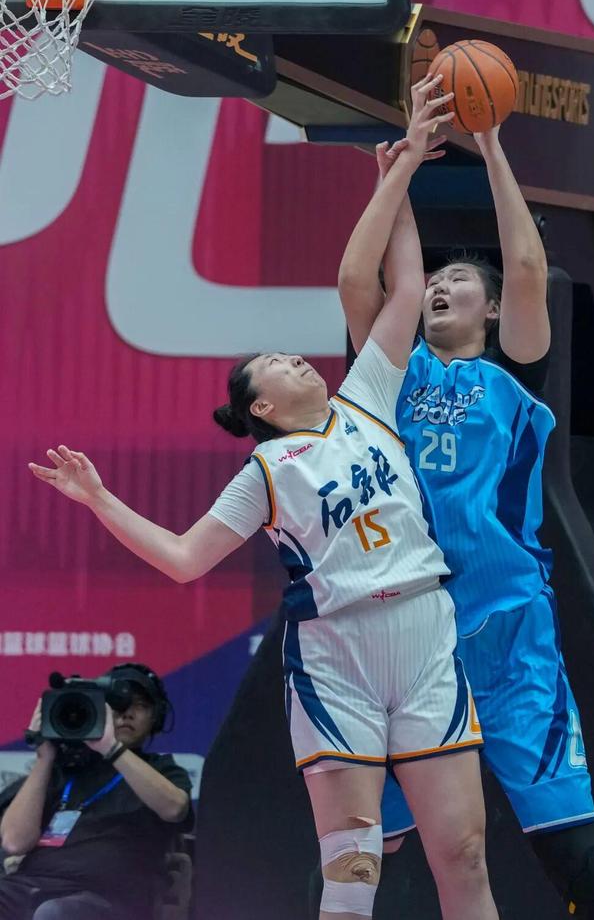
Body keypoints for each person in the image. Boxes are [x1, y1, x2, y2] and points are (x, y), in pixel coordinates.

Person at [27, 76, 499, 920]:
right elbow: (182, 559)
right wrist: (98, 499)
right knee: (355, 864)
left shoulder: (367, 398)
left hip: (425, 630)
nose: (294, 358)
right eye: (274, 365)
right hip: (339, 652)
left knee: (462, 854)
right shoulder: (268, 471)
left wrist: (397, 173)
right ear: (264, 408)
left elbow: (403, 288)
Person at [337, 125, 594, 919]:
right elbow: (360, 280)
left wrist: (493, 144)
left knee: (571, 849)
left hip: (508, 632)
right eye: (435, 277)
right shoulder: (392, 374)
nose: (441, 284)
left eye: (461, 279)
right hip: (409, 636)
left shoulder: (514, 375)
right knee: (364, 850)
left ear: (495, 308)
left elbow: (529, 266)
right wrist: (397, 175)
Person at [0, 663, 193, 920]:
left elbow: (175, 809)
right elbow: (14, 842)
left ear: (155, 718)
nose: (127, 713)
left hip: (108, 897)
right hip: (30, 885)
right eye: (117, 704)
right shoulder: (59, 772)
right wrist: (44, 757)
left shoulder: (160, 769)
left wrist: (110, 748)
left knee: (53, 914)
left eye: (140, 705)